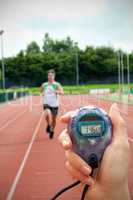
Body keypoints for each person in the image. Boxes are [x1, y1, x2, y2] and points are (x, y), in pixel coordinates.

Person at [59, 103, 131, 200]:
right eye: (88, 129)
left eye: (94, 129)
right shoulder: (102, 120)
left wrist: (115, 190)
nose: (92, 141)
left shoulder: (77, 122)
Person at [40, 69, 64, 139]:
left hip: (54, 104)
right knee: (47, 114)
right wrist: (42, 93)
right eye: (49, 75)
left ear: (54, 76)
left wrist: (57, 91)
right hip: (46, 103)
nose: (50, 77)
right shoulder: (44, 84)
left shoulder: (57, 84)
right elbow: (41, 91)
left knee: (54, 119)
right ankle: (48, 124)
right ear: (47, 76)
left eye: (51, 75)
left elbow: (62, 93)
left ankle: (52, 131)